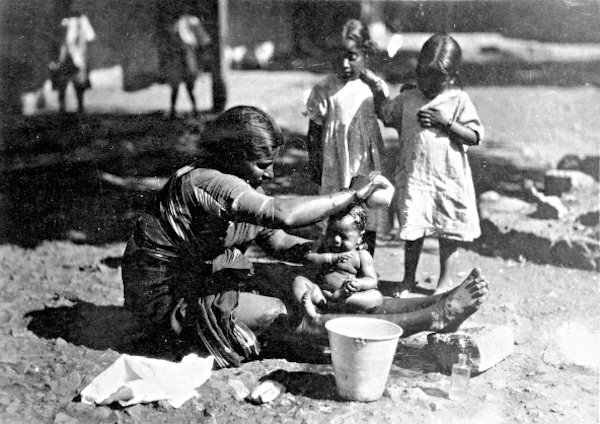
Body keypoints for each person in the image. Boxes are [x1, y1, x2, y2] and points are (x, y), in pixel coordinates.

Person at [121, 105, 490, 369]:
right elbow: (282, 215)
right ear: (232, 156)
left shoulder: (239, 187)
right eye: (261, 165)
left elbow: (277, 240)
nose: (267, 175)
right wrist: (351, 194)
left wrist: (325, 260)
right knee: (279, 311)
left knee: (324, 287)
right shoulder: (207, 181)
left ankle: (429, 305)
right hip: (167, 298)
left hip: (208, 276)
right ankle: (433, 318)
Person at [361, 33, 485, 296]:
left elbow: (475, 136)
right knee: (413, 230)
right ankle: (408, 279)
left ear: (451, 76)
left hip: (447, 180)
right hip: (416, 177)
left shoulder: (458, 100)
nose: (427, 83)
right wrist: (378, 90)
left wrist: (447, 123)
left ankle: (445, 282)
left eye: (436, 77)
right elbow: (386, 115)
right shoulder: (409, 98)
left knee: (447, 231)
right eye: (423, 75)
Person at [305, 19, 386, 256]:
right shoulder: (325, 88)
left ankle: (365, 265)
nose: (345, 64)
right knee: (335, 209)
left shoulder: (371, 86)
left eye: (352, 56)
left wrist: (378, 88)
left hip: (365, 161)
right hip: (335, 160)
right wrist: (315, 163)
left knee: (367, 211)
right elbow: (315, 129)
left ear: (365, 56)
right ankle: (333, 267)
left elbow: (385, 113)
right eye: (339, 56)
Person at [292, 204, 383, 315]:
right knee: (299, 281)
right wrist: (329, 257)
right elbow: (308, 259)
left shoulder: (361, 255)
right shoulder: (324, 249)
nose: (336, 239)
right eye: (331, 233)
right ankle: (315, 309)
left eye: (343, 236)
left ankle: (335, 305)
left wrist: (359, 283)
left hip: (347, 297)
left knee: (376, 297)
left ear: (360, 237)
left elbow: (372, 280)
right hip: (321, 294)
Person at [163, 14, 212, 118]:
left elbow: (202, 41)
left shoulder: (191, 22)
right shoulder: (179, 25)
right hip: (180, 61)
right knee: (177, 88)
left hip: (186, 60)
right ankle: (175, 110)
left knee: (188, 87)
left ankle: (193, 110)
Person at [49, 12, 96, 113]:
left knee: (78, 83)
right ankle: (63, 108)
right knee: (62, 82)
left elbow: (90, 36)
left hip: (77, 55)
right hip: (65, 55)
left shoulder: (82, 20)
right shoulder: (63, 20)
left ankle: (79, 106)